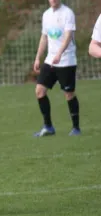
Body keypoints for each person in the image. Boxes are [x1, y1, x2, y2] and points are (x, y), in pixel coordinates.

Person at [33, 0, 81, 137]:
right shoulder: (46, 15)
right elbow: (44, 37)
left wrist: (60, 53)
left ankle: (76, 128)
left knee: (69, 94)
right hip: (50, 60)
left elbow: (67, 36)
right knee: (40, 91)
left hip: (66, 60)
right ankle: (48, 127)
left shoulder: (68, 13)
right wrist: (38, 57)